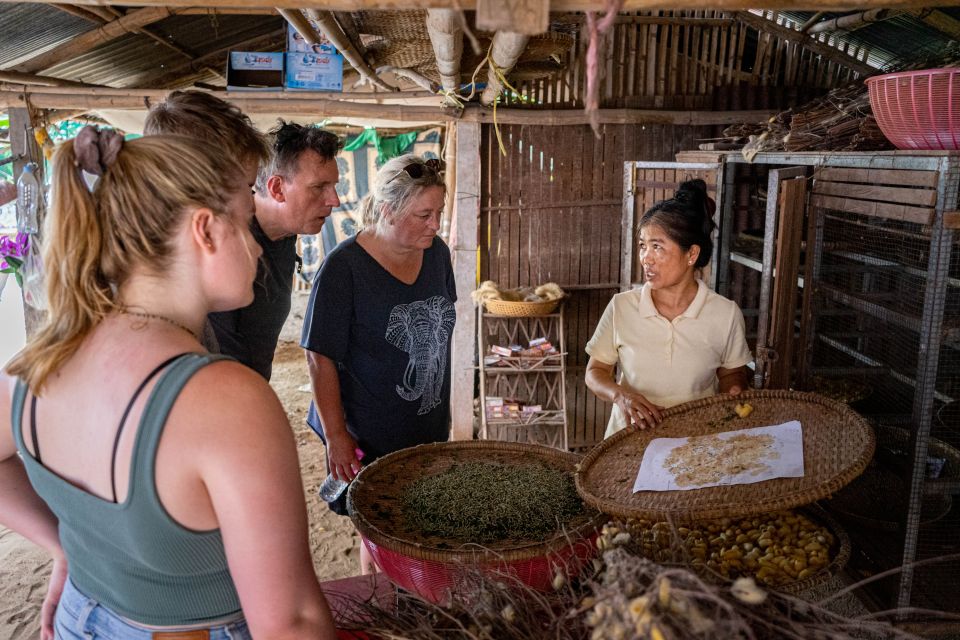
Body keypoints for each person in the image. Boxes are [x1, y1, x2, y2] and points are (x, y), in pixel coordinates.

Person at [0, 128, 337, 639]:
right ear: (205, 231)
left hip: (81, 617)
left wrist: (64, 543)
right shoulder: (228, 401)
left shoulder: (35, 367)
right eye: (245, 227)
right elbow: (291, 624)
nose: (254, 248)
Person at [301, 154, 455, 567]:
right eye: (424, 214)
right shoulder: (343, 269)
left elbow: (440, 328)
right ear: (387, 210)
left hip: (426, 422)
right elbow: (319, 355)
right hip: (368, 432)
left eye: (439, 212)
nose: (435, 224)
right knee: (382, 533)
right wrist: (336, 435)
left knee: (423, 524)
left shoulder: (437, 253)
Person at [146, 93, 342, 380]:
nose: (334, 200)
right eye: (319, 187)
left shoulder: (285, 238)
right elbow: (219, 368)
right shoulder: (218, 255)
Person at [585, 179, 752, 438]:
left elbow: (732, 372)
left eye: (657, 247)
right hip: (628, 441)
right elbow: (595, 372)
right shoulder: (623, 307)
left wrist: (734, 389)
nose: (646, 258)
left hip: (695, 441)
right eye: (643, 246)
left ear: (691, 255)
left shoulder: (725, 313)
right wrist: (622, 396)